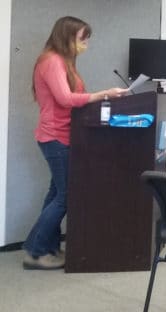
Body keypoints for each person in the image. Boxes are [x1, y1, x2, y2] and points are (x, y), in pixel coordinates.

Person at [23, 16, 128, 270]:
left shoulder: (63, 62)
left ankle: (41, 247)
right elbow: (66, 98)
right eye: (83, 38)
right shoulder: (52, 62)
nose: (86, 43)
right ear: (66, 36)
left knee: (56, 194)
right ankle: (36, 252)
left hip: (62, 135)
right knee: (67, 196)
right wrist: (104, 94)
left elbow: (72, 97)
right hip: (55, 137)